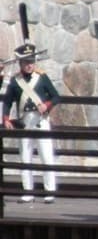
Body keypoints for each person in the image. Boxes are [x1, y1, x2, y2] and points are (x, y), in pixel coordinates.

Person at [2, 43, 60, 204]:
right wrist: (6, 118)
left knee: (46, 155)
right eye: (26, 62)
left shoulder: (41, 77)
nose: (29, 65)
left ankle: (49, 191)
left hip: (41, 120)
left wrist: (46, 105)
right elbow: (7, 102)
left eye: (31, 61)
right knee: (25, 157)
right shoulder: (15, 81)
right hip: (25, 121)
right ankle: (28, 191)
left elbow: (56, 96)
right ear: (20, 63)